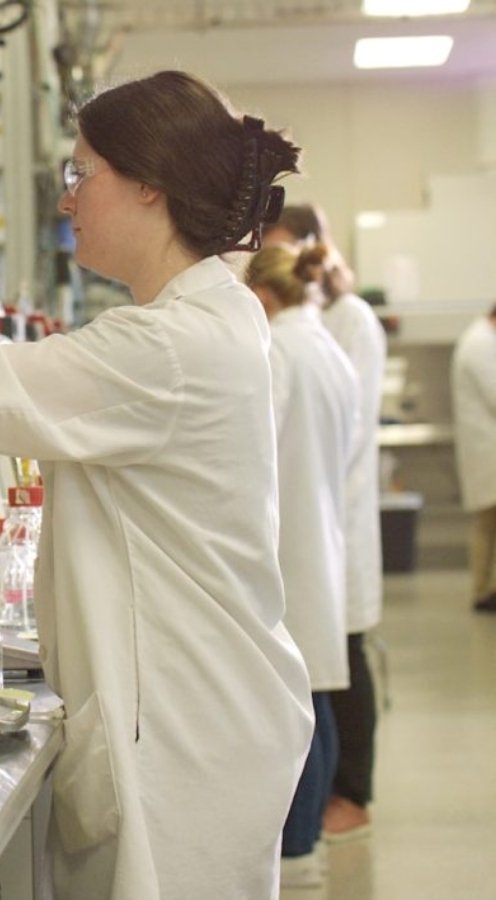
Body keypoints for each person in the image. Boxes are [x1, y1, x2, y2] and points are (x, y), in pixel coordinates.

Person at [0, 70, 314, 899]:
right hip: (196, 712)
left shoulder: (176, 346)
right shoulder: (210, 319)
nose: (66, 200)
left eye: (82, 174)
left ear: (150, 183)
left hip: (183, 734)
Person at [262, 203, 386, 841]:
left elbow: (345, 434)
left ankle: (342, 802)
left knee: (331, 675)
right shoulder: (314, 334)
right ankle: (320, 814)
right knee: (322, 675)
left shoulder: (337, 326)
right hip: (323, 515)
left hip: (331, 511)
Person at [245, 242, 358, 888]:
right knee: (315, 696)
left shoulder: (283, 350)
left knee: (302, 708)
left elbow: (255, 446)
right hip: (318, 536)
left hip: (293, 540)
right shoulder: (326, 349)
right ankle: (307, 842)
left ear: (264, 296)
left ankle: (300, 846)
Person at [452, 303, 496, 613]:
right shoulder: (480, 343)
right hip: (486, 448)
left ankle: (485, 589)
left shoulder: (482, 339)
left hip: (486, 447)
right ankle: (482, 591)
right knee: (486, 523)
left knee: (488, 523)